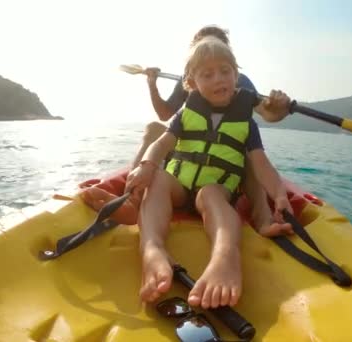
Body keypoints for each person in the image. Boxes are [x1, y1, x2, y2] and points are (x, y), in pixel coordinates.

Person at [125, 36, 294, 309]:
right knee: (157, 180)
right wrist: (146, 167)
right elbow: (161, 144)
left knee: (212, 193)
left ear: (236, 76)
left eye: (225, 71)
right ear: (192, 83)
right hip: (179, 187)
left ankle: (225, 258)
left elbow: (262, 165)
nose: (219, 79)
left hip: (214, 190)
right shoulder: (184, 114)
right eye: (208, 74)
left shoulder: (246, 123)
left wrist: (280, 195)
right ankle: (152, 248)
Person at [81, 25, 293, 236]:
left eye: (215, 47)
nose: (217, 77)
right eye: (202, 50)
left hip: (223, 162)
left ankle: (263, 218)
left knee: (249, 153)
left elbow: (268, 114)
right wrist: (152, 85)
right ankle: (133, 198)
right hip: (187, 152)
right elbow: (164, 115)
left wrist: (279, 108)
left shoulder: (238, 79)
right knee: (154, 129)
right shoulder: (188, 78)